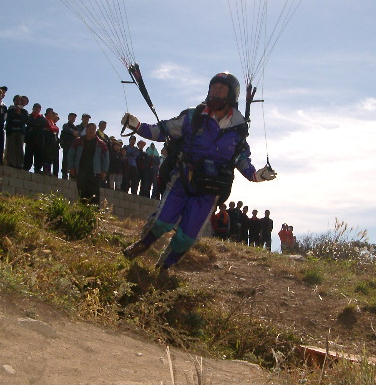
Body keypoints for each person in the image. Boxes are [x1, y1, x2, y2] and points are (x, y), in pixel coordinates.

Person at [122, 71, 276, 272]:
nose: (216, 91)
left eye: (221, 89)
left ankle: (164, 267)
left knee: (187, 237)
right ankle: (143, 245)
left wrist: (258, 176)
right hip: (183, 180)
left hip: (210, 191)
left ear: (231, 95)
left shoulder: (238, 129)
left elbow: (242, 161)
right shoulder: (193, 116)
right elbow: (162, 131)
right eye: (213, 87)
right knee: (161, 222)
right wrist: (137, 126)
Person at [67, 123, 109, 205]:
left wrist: (104, 171)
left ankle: (94, 212)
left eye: (93, 129)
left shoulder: (101, 143)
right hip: (81, 172)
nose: (91, 131)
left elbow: (105, 159)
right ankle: (83, 211)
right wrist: (71, 167)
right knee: (82, 194)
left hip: (95, 173)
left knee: (94, 196)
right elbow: (71, 155)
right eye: (90, 129)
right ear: (86, 130)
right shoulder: (78, 141)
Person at [5, 95, 28, 168]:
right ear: (14, 101)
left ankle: (19, 163)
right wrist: (15, 112)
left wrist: (20, 114)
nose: (18, 101)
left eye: (19, 100)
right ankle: (11, 162)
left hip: (20, 132)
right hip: (12, 131)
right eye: (16, 100)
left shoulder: (24, 111)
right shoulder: (10, 109)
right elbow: (7, 118)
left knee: (20, 148)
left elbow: (25, 120)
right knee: (11, 147)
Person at [23, 102, 46, 173]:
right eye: (35, 107)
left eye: (38, 108)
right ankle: (26, 167)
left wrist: (34, 124)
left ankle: (37, 169)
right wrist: (36, 124)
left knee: (38, 155)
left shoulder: (42, 118)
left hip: (39, 139)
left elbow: (42, 124)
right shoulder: (29, 116)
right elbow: (28, 122)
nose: (37, 109)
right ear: (33, 108)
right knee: (28, 154)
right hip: (30, 138)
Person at [60, 112, 80, 179]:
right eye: (71, 117)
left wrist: (74, 132)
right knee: (66, 160)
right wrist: (73, 132)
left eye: (74, 117)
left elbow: (78, 134)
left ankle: (72, 175)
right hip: (67, 145)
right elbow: (68, 131)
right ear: (68, 118)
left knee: (73, 161)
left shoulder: (75, 127)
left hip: (73, 146)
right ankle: (64, 174)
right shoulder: (65, 125)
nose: (73, 118)